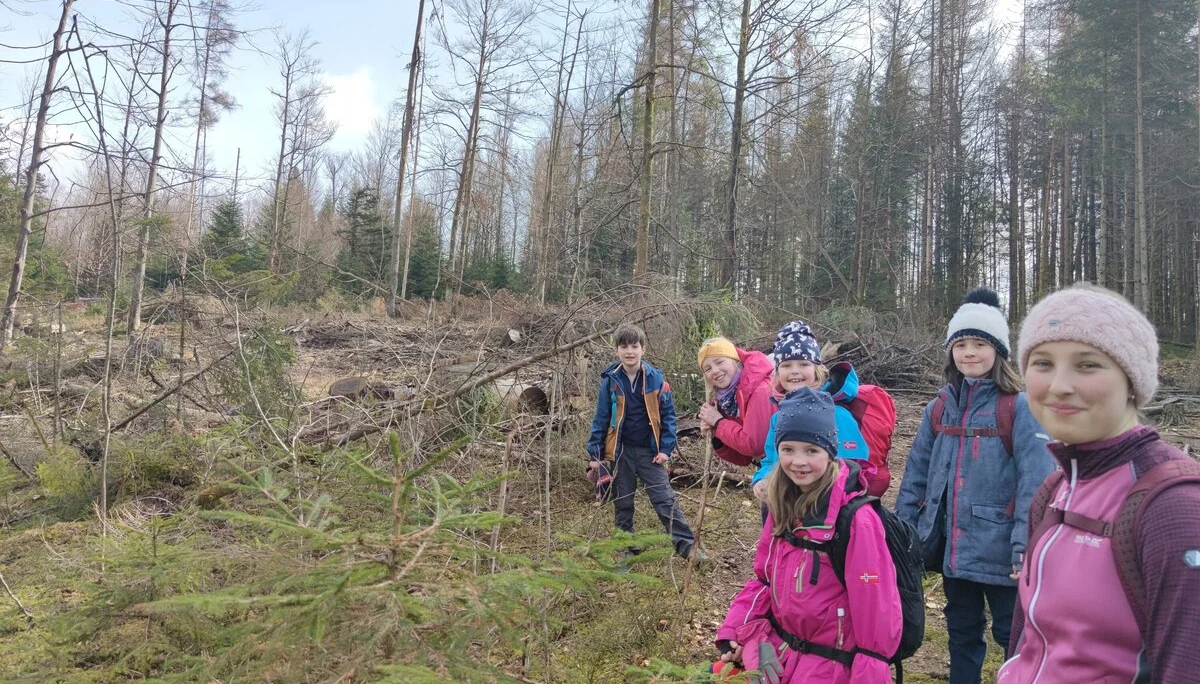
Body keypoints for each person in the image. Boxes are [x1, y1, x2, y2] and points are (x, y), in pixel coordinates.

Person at [997, 284, 1200, 684]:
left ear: (1131, 381)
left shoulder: (1173, 507)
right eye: (1042, 363)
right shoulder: (1053, 490)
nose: (1059, 385)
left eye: (1087, 365)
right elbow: (1026, 646)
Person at [895, 287, 1053, 684]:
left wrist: (1025, 546)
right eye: (960, 343)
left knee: (1011, 633)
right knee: (961, 630)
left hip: (1002, 553)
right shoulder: (939, 405)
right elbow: (916, 473)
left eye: (979, 343)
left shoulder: (1019, 406)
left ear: (998, 350)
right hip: (952, 548)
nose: (968, 352)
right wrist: (901, 535)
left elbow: (1038, 481)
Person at [716, 388, 901, 683]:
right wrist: (736, 629)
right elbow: (764, 579)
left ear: (830, 452)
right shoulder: (781, 504)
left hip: (831, 665)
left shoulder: (856, 521)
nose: (798, 462)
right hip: (781, 652)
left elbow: (875, 608)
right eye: (788, 450)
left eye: (811, 451)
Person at [586, 324, 699, 561]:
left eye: (634, 346)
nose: (629, 351)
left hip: (650, 452)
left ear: (643, 349)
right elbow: (601, 417)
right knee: (623, 501)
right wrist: (595, 456)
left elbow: (668, 417)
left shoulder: (656, 379)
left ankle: (687, 546)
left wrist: (666, 450)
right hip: (621, 452)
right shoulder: (610, 381)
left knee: (664, 499)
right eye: (624, 346)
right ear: (617, 350)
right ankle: (626, 548)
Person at [752, 321, 871, 503]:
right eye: (786, 365)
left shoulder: (835, 414)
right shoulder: (778, 417)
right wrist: (761, 479)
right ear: (777, 373)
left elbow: (854, 464)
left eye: (803, 364)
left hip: (827, 510)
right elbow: (770, 460)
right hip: (784, 507)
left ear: (817, 370)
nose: (795, 371)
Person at [696, 337, 776, 467]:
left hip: (783, 468)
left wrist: (719, 422)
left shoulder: (759, 390)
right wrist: (716, 436)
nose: (715, 371)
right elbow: (744, 459)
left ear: (736, 361)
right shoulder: (726, 401)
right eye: (708, 368)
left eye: (720, 362)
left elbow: (754, 446)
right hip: (767, 468)